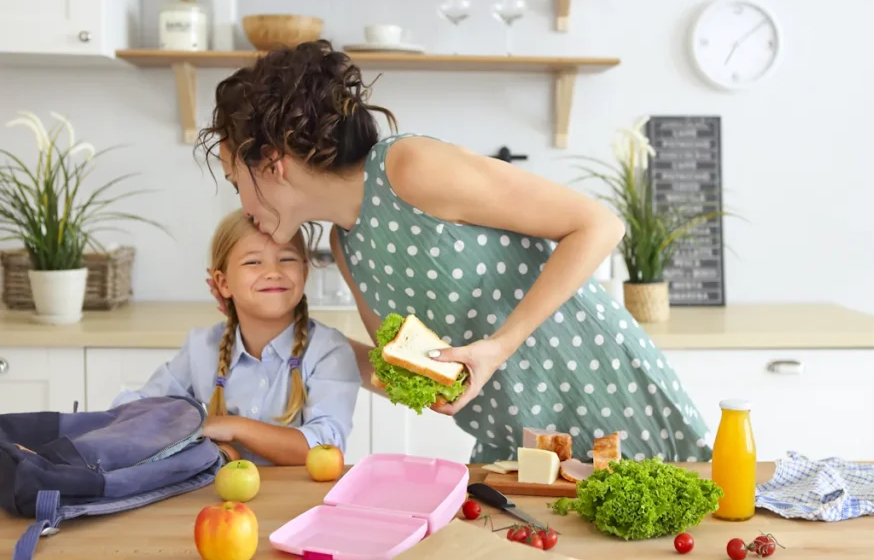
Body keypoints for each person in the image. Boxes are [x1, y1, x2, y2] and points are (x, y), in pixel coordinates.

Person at [196, 40, 714, 465]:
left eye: (233, 178)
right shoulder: (346, 246)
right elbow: (405, 374)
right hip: (516, 443)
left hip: (602, 393)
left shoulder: (408, 167)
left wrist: (501, 344)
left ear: (273, 161)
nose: (239, 201)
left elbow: (598, 225)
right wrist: (288, 337)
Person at [113, 209, 363, 466]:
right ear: (223, 283)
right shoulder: (202, 347)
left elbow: (325, 447)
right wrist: (199, 440)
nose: (272, 272)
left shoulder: (328, 350)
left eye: (287, 259)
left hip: (302, 502)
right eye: (253, 262)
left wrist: (233, 428)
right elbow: (135, 408)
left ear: (305, 273)